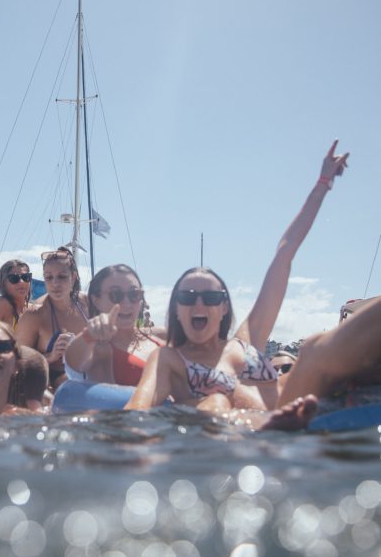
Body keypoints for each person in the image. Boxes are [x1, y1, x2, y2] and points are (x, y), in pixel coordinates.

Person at [127, 140, 349, 414]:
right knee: (217, 401)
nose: (199, 305)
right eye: (188, 297)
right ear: (176, 308)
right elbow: (140, 404)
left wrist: (323, 182)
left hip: (289, 424)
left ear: (223, 308)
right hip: (237, 437)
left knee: (317, 347)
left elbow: (285, 253)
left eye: (210, 297)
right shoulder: (169, 358)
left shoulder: (249, 338)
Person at [66, 264, 168, 385]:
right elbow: (72, 359)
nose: (126, 302)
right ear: (96, 301)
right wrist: (90, 333)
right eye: (115, 294)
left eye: (134, 294)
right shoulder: (96, 347)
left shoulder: (160, 335)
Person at [16, 247, 88, 389]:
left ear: (73, 277)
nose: (55, 283)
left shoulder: (88, 305)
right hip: (50, 386)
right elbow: (18, 362)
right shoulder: (34, 314)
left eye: (62, 276)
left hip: (88, 377)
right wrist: (52, 356)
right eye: (49, 277)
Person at [0, 260, 35, 329]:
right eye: (14, 278)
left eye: (25, 277)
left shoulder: (33, 310)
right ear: (3, 283)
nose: (21, 282)